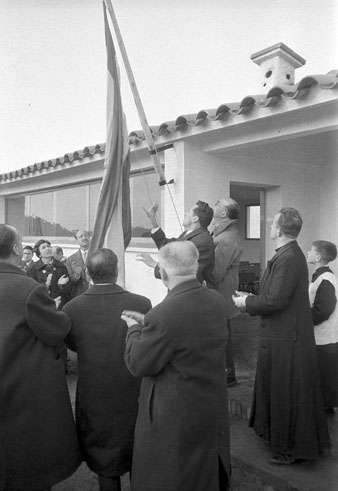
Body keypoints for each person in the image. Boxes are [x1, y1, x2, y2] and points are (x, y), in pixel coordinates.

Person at [122, 241, 230, 491]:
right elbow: (185, 332)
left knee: (174, 473)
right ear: (195, 266)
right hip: (208, 405)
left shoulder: (164, 313)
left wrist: (134, 329)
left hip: (174, 413)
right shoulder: (215, 300)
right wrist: (149, 322)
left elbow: (138, 364)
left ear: (162, 271)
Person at [233, 208, 330, 465]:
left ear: (279, 229)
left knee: (287, 394)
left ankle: (289, 449)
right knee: (282, 391)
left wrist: (247, 302)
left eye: (272, 223)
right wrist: (250, 299)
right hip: (283, 336)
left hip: (287, 339)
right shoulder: (289, 254)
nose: (269, 227)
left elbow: (275, 300)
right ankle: (280, 441)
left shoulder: (288, 257)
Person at [63, 248, 151, 491]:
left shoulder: (72, 308)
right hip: (132, 389)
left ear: (89, 273)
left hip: (94, 392)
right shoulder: (141, 303)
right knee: (137, 450)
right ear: (117, 270)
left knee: (103, 460)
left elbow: (72, 345)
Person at [0, 224, 80, 491]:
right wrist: (59, 312)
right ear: (15, 248)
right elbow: (56, 329)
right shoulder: (28, 288)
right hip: (21, 395)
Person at [138, 201, 216, 288]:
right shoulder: (187, 234)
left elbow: (185, 272)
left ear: (195, 219)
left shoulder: (202, 241)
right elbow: (166, 245)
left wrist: (154, 264)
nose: (185, 212)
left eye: (189, 210)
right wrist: (152, 217)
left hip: (192, 295)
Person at [213, 197, 243, 387]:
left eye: (217, 203)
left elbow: (216, 272)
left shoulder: (227, 238)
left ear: (223, 213)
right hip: (219, 291)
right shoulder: (222, 234)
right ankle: (226, 374)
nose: (213, 205)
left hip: (220, 292)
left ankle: (228, 375)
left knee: (221, 333)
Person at [307, 240, 338, 415]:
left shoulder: (325, 279)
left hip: (325, 336)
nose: (308, 252)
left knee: (325, 372)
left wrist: (305, 320)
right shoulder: (321, 276)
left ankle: (325, 407)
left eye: (311, 250)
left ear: (318, 257)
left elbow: (324, 309)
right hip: (322, 335)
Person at [27, 239, 72, 309]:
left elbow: (69, 288)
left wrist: (61, 286)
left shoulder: (61, 266)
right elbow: (31, 290)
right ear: (39, 254)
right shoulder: (32, 269)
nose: (47, 249)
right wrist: (46, 284)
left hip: (60, 305)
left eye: (48, 246)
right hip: (42, 305)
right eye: (43, 248)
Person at [67, 229, 90, 297]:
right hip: (79, 295)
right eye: (81, 236)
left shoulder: (97, 255)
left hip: (94, 293)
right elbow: (70, 281)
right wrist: (77, 274)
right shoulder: (71, 259)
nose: (84, 238)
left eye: (86, 235)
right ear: (76, 240)